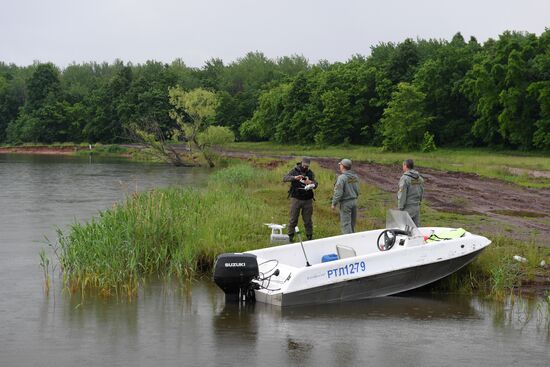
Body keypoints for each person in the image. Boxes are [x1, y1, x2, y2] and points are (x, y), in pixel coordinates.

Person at [283, 157, 318, 242]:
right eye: (304, 165)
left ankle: (309, 237)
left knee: (308, 220)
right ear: (301, 163)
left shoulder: (310, 173)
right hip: (296, 198)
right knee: (293, 219)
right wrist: (295, 178)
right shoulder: (294, 170)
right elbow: (285, 178)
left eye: (307, 166)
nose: (305, 167)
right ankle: (290, 236)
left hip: (308, 200)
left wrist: (311, 184)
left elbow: (316, 183)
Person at [331, 159, 360, 234]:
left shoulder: (342, 178)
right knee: (352, 224)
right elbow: (357, 189)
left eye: (340, 165)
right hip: (354, 201)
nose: (339, 166)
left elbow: (338, 193)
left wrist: (334, 203)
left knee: (346, 225)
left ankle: (347, 242)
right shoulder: (354, 176)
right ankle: (353, 240)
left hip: (346, 203)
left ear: (343, 166)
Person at [397, 159, 424, 227]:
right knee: (415, 228)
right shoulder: (418, 178)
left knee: (404, 227)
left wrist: (400, 206)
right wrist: (419, 201)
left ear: (405, 166)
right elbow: (421, 190)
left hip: (408, 207)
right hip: (416, 206)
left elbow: (402, 193)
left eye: (403, 165)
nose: (402, 167)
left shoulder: (405, 178)